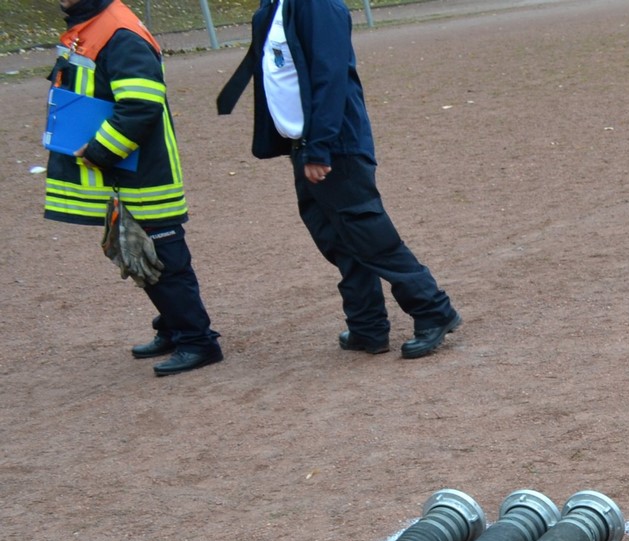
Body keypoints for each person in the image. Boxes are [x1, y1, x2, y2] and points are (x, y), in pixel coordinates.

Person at [216, 0, 460, 359]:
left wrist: (320, 148)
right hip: (305, 143)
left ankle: (433, 310)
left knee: (368, 233)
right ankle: (367, 327)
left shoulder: (317, 5)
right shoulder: (275, 6)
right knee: (335, 238)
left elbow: (330, 77)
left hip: (333, 145)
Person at [44, 0, 222, 376]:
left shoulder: (118, 32)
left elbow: (141, 105)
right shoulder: (93, 24)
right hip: (127, 171)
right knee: (139, 255)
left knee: (163, 259)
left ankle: (198, 341)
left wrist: (100, 151)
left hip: (143, 173)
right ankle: (173, 328)